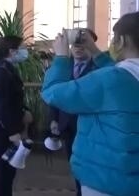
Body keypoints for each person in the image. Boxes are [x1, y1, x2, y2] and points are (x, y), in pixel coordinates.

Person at [42, 14, 139, 196]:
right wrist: (95, 52)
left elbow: (52, 93)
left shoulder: (108, 80)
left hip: (108, 181)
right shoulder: (118, 77)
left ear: (121, 41)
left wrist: (61, 57)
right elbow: (123, 73)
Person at [46, 28, 99, 195]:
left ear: (91, 44)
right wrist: (54, 119)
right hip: (67, 125)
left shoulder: (99, 68)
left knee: (91, 167)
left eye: (82, 43)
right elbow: (55, 93)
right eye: (75, 44)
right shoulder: (63, 66)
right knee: (75, 166)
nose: (78, 47)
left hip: (91, 127)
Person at [0, 36, 32, 196]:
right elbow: (0, 105)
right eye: (23, 48)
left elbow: (13, 99)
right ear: (12, 51)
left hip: (8, 128)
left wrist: (24, 111)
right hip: (2, 132)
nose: (26, 52)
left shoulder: (8, 69)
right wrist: (12, 131)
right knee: (2, 176)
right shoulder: (1, 71)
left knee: (8, 175)